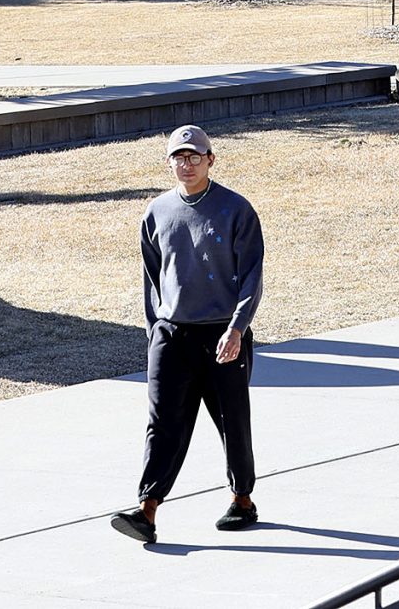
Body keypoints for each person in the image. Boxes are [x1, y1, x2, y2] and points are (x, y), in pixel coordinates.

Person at [112, 124, 264, 544]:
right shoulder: (156, 212)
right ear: (169, 163)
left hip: (222, 334)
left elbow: (252, 277)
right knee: (162, 423)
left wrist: (237, 328)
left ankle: (242, 499)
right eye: (179, 157)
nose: (187, 164)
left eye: (195, 156)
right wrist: (155, 333)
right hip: (172, 335)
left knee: (232, 421)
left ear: (210, 160)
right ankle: (147, 510)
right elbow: (152, 278)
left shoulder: (236, 210)